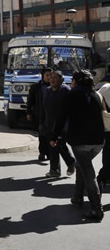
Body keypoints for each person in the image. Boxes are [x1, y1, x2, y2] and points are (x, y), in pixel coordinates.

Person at [51, 70, 105, 222]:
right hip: (98, 142)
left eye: (72, 80)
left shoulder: (72, 95)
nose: (71, 83)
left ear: (76, 81)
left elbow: (61, 118)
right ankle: (77, 198)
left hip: (80, 141)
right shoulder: (95, 95)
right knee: (82, 167)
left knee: (89, 173)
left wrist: (54, 137)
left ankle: (96, 209)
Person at [39, 71, 75, 177]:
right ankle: (54, 170)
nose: (52, 80)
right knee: (52, 146)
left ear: (61, 80)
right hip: (49, 124)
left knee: (59, 144)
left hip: (62, 125)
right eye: (51, 78)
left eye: (55, 78)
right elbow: (43, 108)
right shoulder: (47, 90)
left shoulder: (66, 91)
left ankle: (71, 161)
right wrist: (41, 122)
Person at [26, 68, 52, 161]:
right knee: (42, 134)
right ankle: (42, 152)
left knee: (50, 134)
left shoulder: (55, 86)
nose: (49, 77)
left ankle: (49, 153)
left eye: (50, 75)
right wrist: (28, 112)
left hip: (51, 115)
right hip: (40, 114)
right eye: (47, 75)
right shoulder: (36, 86)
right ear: (43, 76)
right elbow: (30, 100)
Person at [96, 82, 110, 194]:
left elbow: (96, 102)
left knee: (107, 162)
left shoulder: (105, 88)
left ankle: (96, 203)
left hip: (108, 129)